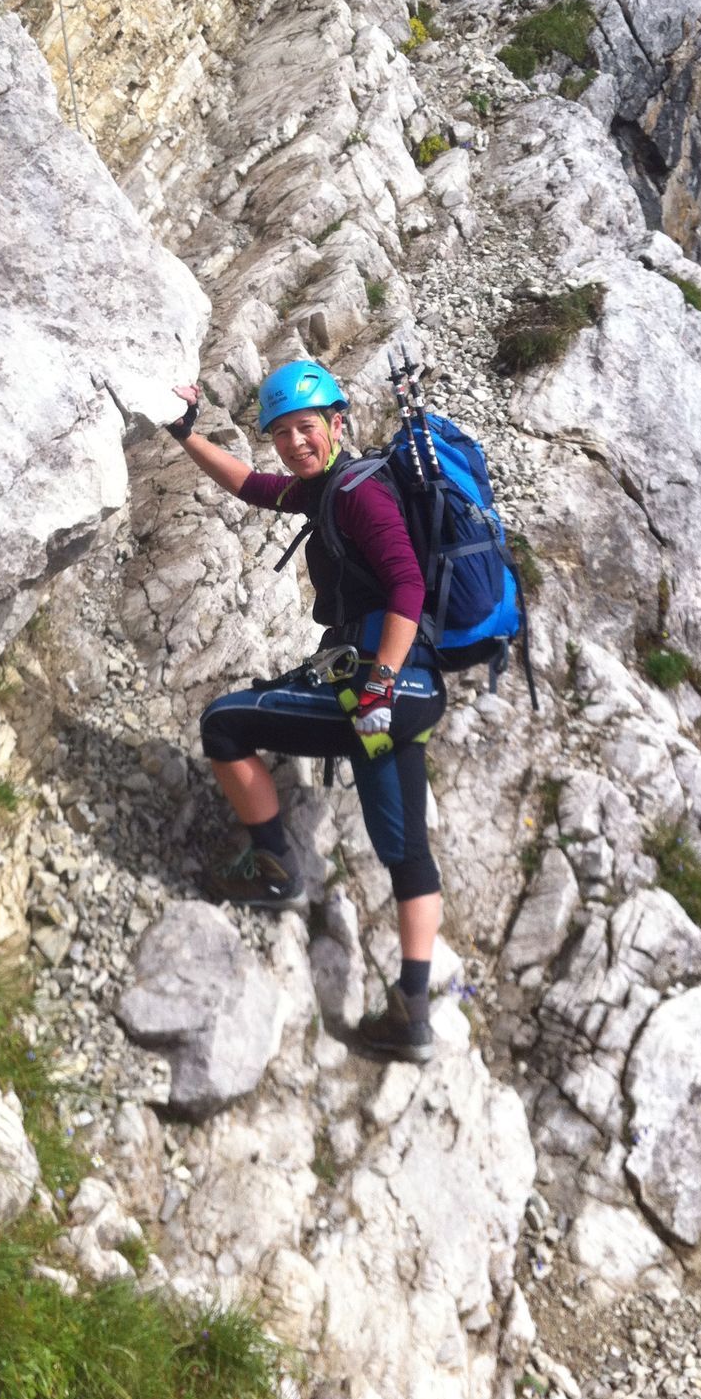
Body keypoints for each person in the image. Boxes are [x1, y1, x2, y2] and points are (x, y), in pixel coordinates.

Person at [164, 361, 446, 1063]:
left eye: (305, 428)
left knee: (225, 724)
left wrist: (378, 681)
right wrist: (186, 436)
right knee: (405, 851)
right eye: (282, 432)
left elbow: (407, 583)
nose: (293, 442)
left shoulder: (357, 495)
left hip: (383, 690)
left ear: (336, 424)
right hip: (402, 696)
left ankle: (274, 870)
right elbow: (251, 486)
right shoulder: (327, 489)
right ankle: (413, 1015)